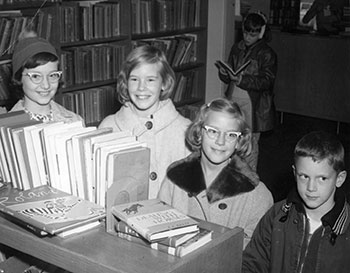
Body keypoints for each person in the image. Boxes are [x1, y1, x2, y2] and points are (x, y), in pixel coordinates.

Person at [158, 98, 273, 248]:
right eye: (213, 131)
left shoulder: (257, 195)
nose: (220, 141)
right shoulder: (174, 179)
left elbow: (255, 255)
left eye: (231, 135)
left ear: (239, 141)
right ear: (199, 133)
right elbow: (159, 233)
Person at [242, 130, 349, 273]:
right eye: (304, 176)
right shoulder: (277, 216)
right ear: (294, 173)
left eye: (322, 178)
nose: (311, 187)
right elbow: (252, 263)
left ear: (339, 179)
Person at [99, 45, 191, 199]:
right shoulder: (109, 128)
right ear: (125, 83)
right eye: (134, 79)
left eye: (150, 80)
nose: (141, 88)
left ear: (164, 83)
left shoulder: (185, 131)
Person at [218, 12, 277, 172]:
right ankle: (231, 174)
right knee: (231, 137)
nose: (248, 37)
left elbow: (267, 81)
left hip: (254, 105)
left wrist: (242, 80)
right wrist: (225, 73)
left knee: (249, 143)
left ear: (261, 33)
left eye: (253, 34)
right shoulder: (237, 48)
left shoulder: (266, 53)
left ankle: (249, 177)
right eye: (245, 33)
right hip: (233, 99)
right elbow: (229, 71)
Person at [10, 31, 83, 123]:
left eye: (52, 75)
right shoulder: (5, 129)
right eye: (36, 76)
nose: (46, 85)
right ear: (19, 77)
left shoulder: (75, 121)